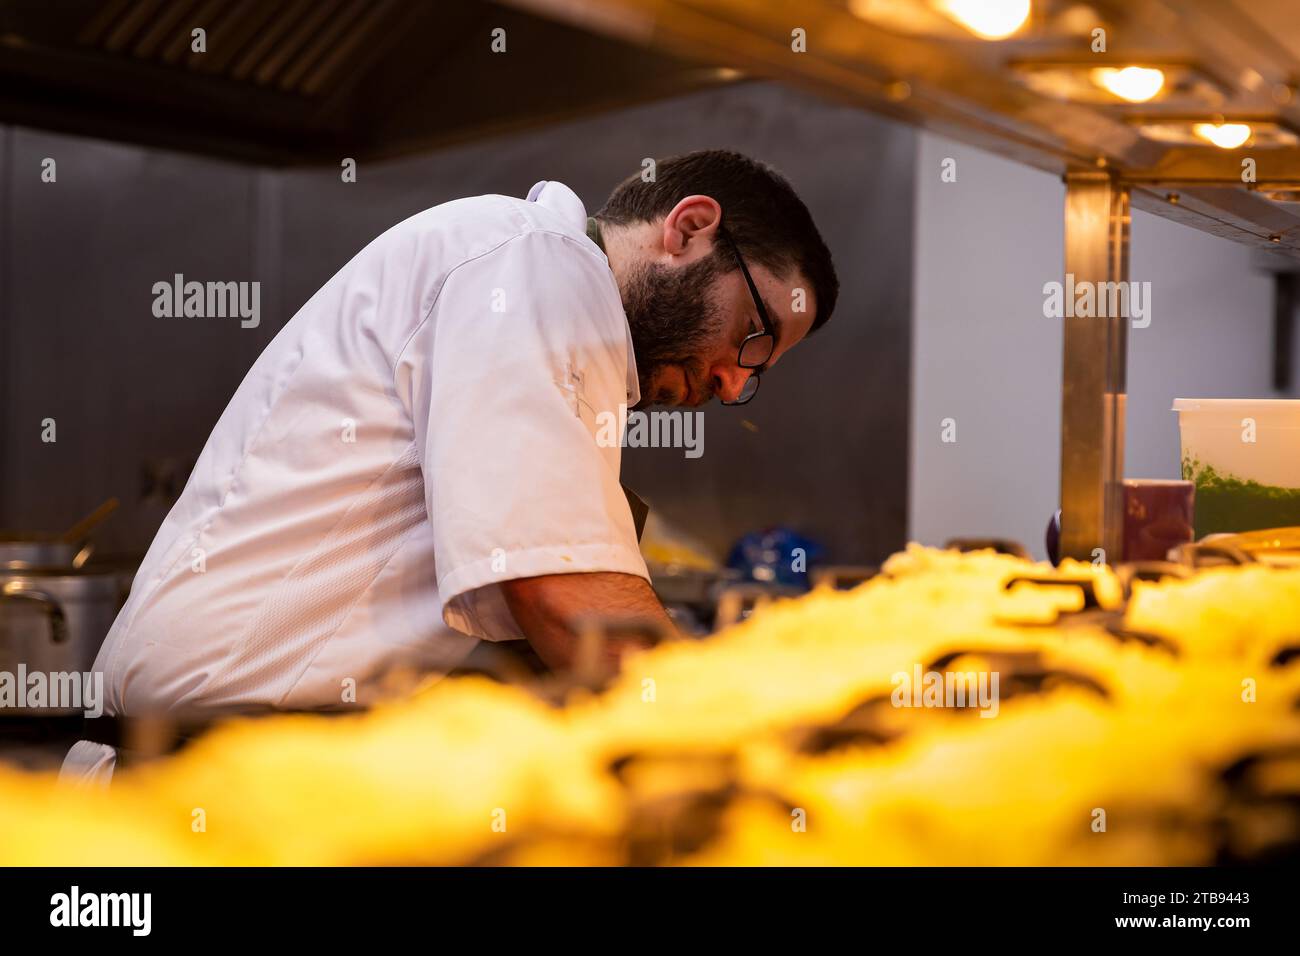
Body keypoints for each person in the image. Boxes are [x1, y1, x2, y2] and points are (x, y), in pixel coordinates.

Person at [60, 148, 838, 784]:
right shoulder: (535, 264)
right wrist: (755, 733)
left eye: (760, 372)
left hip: (252, 766)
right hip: (184, 776)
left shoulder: (542, 293)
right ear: (690, 228)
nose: (736, 381)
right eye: (754, 334)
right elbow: (566, 600)